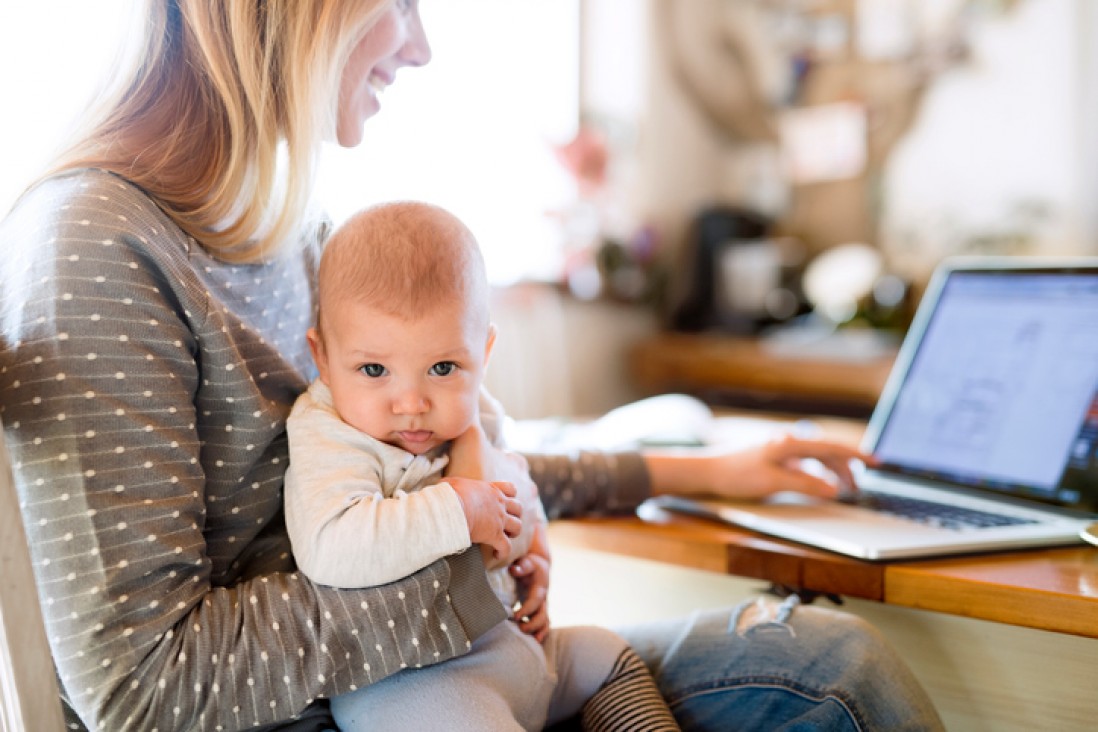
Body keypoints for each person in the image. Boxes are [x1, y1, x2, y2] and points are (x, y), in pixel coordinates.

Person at [0, 1, 945, 730]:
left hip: (418, 671)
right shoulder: (97, 244)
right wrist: (473, 564)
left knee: (830, 658)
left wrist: (684, 471)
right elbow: (144, 685)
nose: (420, 48)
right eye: (402, 3)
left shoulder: (280, 226)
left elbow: (427, 446)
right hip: (350, 706)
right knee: (820, 688)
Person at [285, 199, 678, 731]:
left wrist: (535, 549)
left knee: (607, 656)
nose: (411, 402)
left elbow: (516, 481)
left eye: (442, 367)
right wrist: (458, 505)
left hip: (514, 648)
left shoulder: (476, 409)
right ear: (323, 358)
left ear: (484, 351)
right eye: (374, 369)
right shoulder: (328, 430)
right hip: (414, 682)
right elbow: (331, 545)